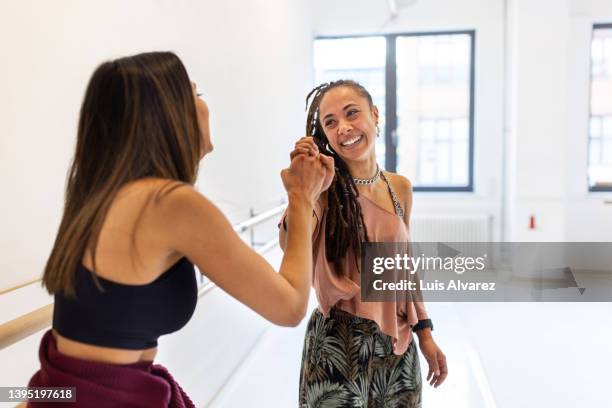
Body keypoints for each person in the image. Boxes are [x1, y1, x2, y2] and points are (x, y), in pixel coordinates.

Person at [27, 51, 332, 407]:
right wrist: (301, 195)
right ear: (170, 115)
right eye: (198, 95)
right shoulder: (170, 203)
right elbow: (290, 306)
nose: (205, 106)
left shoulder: (98, 195)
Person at [280, 80, 448, 407]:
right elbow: (290, 243)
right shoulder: (323, 189)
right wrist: (300, 191)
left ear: (374, 115)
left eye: (352, 113)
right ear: (324, 136)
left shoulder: (399, 188)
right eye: (330, 122)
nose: (343, 127)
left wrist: (424, 333)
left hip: (397, 347)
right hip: (338, 345)